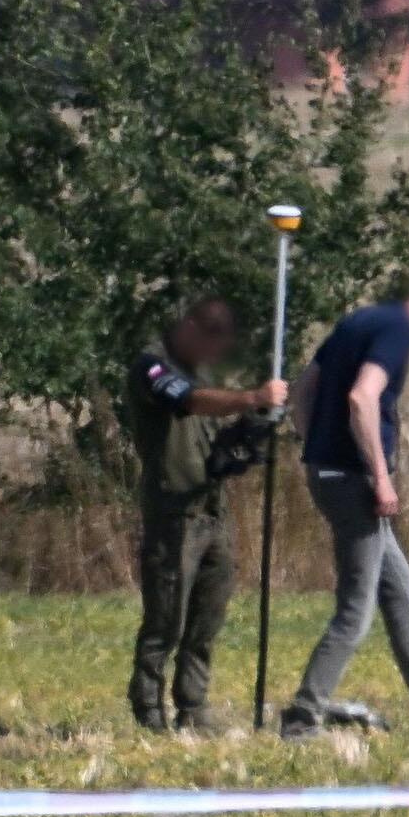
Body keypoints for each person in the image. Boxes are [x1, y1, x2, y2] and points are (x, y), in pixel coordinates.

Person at [279, 279, 409, 738]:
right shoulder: (397, 331)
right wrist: (381, 478)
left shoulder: (360, 321)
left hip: (329, 474)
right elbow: (362, 397)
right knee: (357, 609)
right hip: (356, 482)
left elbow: (302, 391)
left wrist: (316, 447)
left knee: (402, 592)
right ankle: (303, 717)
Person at [126, 299, 288, 732]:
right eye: (213, 342)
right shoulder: (153, 367)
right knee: (167, 619)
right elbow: (189, 402)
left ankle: (193, 707)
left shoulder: (203, 375)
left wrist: (254, 424)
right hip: (174, 513)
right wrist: (251, 396)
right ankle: (149, 710)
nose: (216, 354)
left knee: (207, 617)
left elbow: (215, 442)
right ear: (191, 329)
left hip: (213, 509)